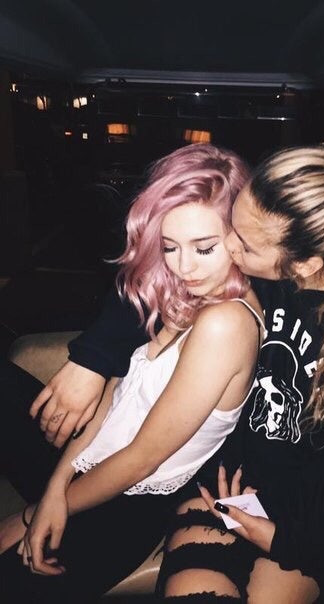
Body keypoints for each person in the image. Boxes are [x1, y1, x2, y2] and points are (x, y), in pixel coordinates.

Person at [20, 145, 324, 602]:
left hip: (305, 524)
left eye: (244, 243)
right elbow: (146, 287)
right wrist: (91, 361)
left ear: (305, 264)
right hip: (221, 489)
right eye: (232, 225)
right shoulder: (264, 277)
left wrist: (281, 538)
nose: (230, 245)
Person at [0, 143, 264, 603]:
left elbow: (142, 458)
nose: (182, 266)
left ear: (241, 237)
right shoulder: (187, 295)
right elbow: (115, 395)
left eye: (204, 248)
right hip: (89, 462)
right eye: (170, 246)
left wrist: (38, 511)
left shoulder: (227, 323)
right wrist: (58, 481)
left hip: (130, 501)